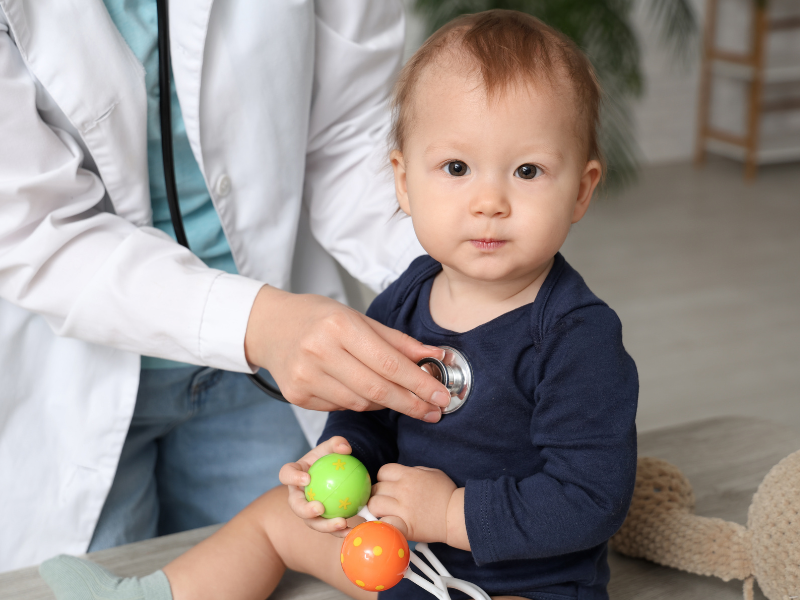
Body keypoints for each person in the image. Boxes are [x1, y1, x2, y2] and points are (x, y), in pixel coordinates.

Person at [39, 9, 639, 600]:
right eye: (456, 167)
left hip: (519, 583)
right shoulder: (406, 295)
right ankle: (150, 595)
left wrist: (452, 514)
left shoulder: (576, 337)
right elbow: (367, 412)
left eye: (527, 171)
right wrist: (342, 456)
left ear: (582, 189)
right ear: (402, 182)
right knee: (276, 518)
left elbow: (591, 499)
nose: (489, 200)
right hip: (399, 556)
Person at [0, 1, 453, 573]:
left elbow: (352, 133)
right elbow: (35, 227)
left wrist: (467, 281)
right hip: (69, 364)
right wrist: (260, 325)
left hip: (274, 360)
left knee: (301, 554)